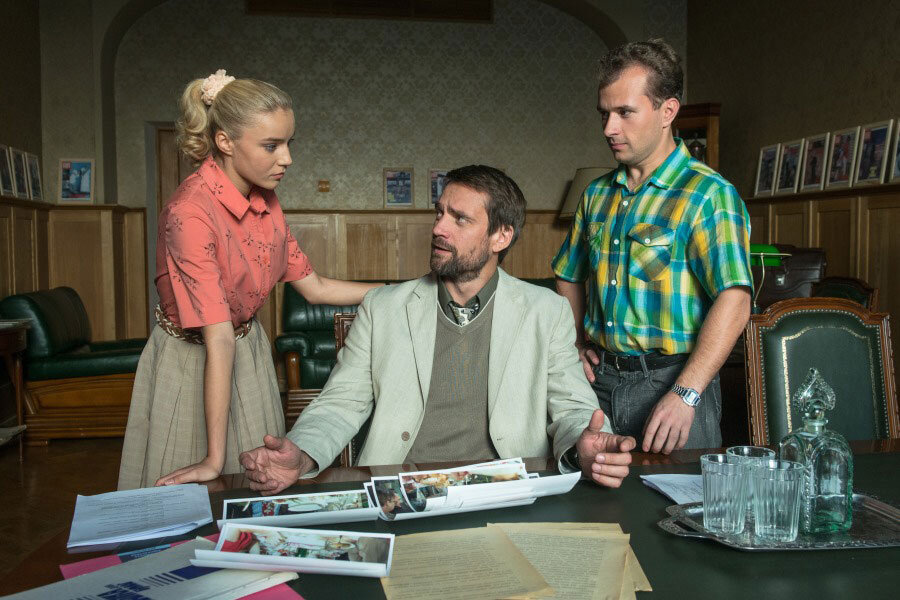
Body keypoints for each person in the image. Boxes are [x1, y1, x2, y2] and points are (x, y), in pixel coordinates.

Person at [240, 165, 636, 495]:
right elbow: (341, 403)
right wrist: (302, 452)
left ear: (501, 236)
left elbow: (572, 406)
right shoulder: (383, 308)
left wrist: (585, 445)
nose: (439, 228)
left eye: (460, 219)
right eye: (439, 213)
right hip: (401, 491)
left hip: (507, 491)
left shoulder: (546, 311)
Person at [117, 70, 378, 489]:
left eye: (289, 143)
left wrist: (407, 290)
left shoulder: (266, 198)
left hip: (248, 351)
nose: (287, 158)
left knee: (259, 487)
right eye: (271, 146)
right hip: (191, 360)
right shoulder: (190, 212)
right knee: (191, 499)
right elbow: (217, 337)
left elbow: (316, 288)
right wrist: (213, 459)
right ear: (225, 141)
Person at [552, 40, 752, 455]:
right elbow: (567, 275)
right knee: (592, 492)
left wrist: (686, 393)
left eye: (625, 112)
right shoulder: (595, 195)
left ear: (668, 111)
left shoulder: (708, 194)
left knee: (677, 495)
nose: (609, 128)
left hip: (674, 384)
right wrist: (576, 344)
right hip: (598, 383)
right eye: (604, 113)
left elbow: (735, 300)